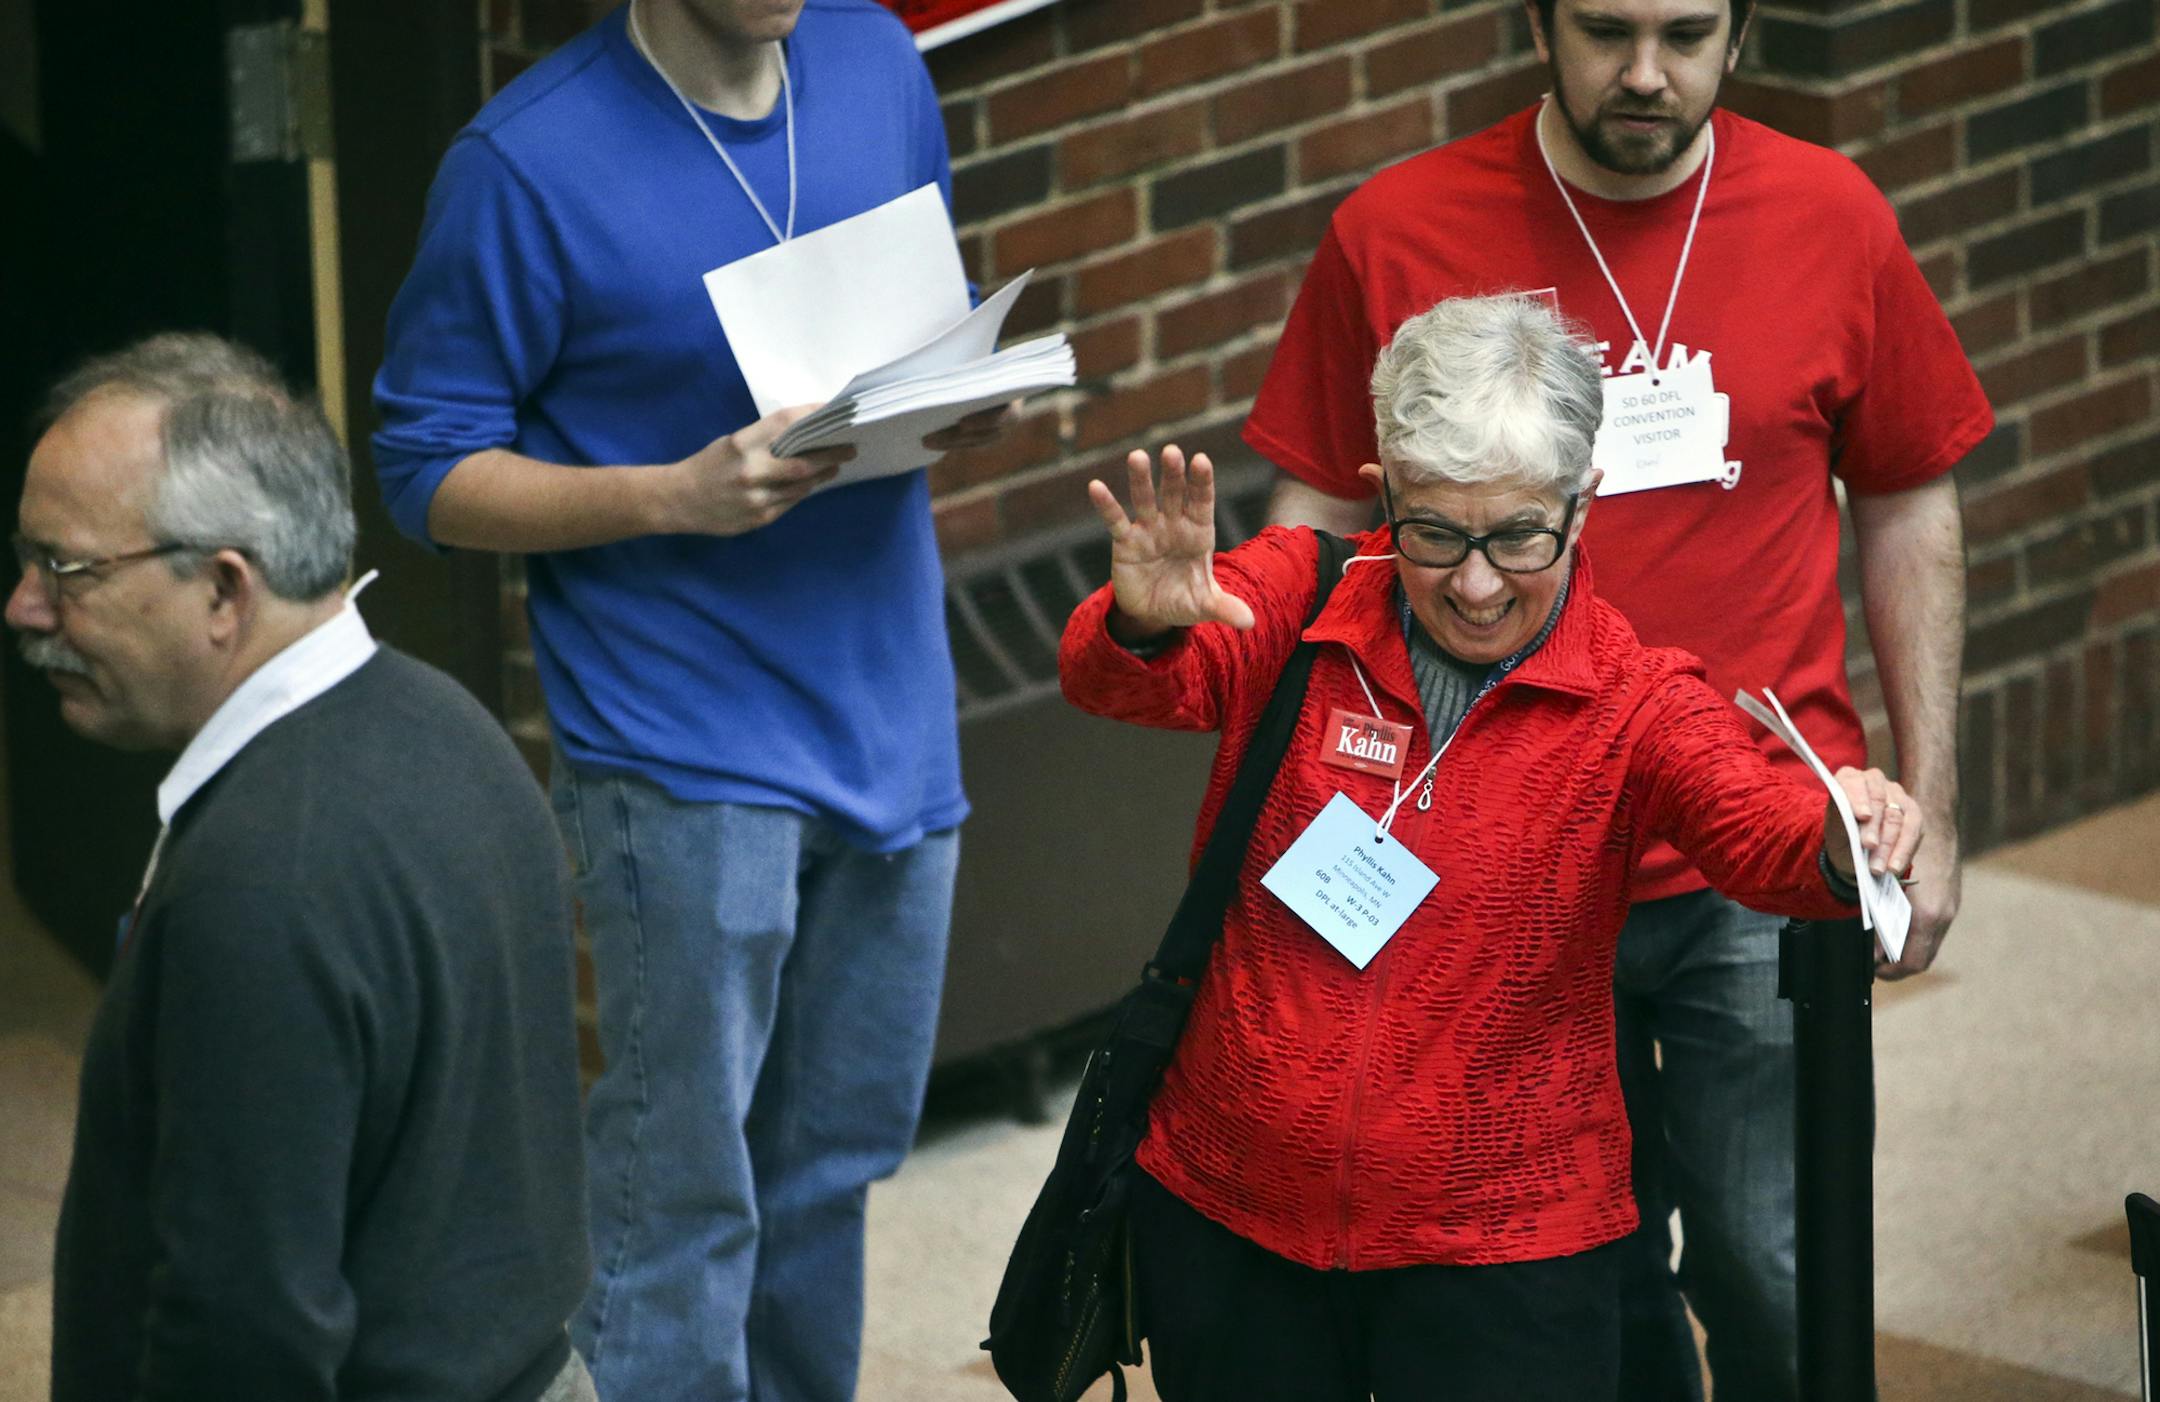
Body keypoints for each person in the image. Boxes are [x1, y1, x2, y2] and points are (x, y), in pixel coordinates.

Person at [1247, 0, 1989, 1392]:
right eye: (1603, 28)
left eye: (1686, 31)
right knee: (1567, 1279)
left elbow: (1906, 499)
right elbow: (1313, 530)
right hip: (1490, 856)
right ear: (1535, 24)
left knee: (1776, 1264)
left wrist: (1931, 803)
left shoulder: (1834, 215)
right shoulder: (1395, 229)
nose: (1645, 72)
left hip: (1755, 852)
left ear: (1742, 29)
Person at [1059, 294, 1923, 1401]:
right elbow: (1131, 684)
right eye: (1437, 533)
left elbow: (1752, 829)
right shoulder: (1297, 598)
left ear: (1583, 503)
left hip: (1505, 1248)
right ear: (1385, 498)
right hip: (1237, 1207)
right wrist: (1143, 622)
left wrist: (1843, 840)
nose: (1475, 584)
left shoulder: (1631, 696)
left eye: (1520, 535)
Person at [370, 3, 1003, 1398]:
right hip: (679, 742)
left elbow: (918, 335)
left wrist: (960, 397)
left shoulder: (878, 64)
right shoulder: (523, 163)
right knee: (682, 1201)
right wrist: (672, 495)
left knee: (831, 1171)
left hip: (889, 706)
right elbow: (425, 467)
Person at [12, 333, 591, 1402]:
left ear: (225, 589)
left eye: (66, 567)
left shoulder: (259, 884)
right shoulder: (446, 720)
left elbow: (243, 1336)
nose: (25, 607)